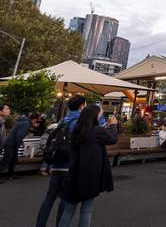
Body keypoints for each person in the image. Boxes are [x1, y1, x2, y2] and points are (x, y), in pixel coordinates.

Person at [58, 105, 118, 227]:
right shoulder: (97, 131)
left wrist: (104, 128)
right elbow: (112, 139)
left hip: (75, 173)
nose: (101, 116)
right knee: (86, 210)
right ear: (95, 116)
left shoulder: (77, 130)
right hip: (90, 174)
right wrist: (113, 126)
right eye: (100, 114)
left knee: (69, 210)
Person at [36, 95, 86, 227]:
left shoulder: (63, 120)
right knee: (65, 201)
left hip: (56, 164)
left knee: (49, 199)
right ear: (81, 106)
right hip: (68, 165)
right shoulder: (77, 121)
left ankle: (40, 224)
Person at [0, 113, 41, 182]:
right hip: (11, 144)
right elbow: (19, 135)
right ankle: (7, 175)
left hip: (12, 143)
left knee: (13, 160)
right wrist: (19, 143)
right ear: (34, 119)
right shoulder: (26, 123)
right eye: (37, 120)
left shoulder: (23, 121)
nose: (38, 122)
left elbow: (17, 134)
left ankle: (10, 175)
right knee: (6, 160)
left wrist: (21, 142)